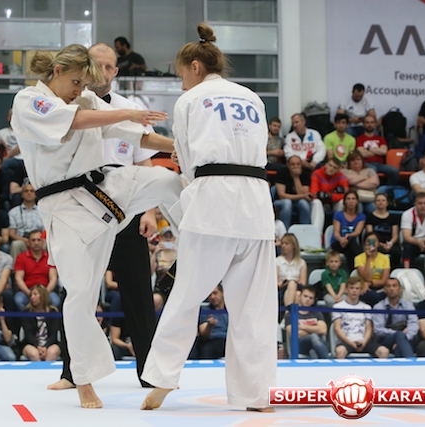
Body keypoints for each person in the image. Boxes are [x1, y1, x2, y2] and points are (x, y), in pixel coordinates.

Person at [11, 43, 183, 409]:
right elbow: (74, 121)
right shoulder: (29, 101)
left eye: (83, 84)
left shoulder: (87, 100)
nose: (80, 90)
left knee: (169, 181)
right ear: (57, 71)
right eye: (76, 82)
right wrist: (127, 112)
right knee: (80, 294)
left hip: (103, 188)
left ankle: (195, 245)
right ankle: (84, 380)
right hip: (64, 208)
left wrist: (180, 147)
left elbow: (136, 135)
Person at [141, 24, 277, 412]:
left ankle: (163, 379)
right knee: (254, 308)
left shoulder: (190, 100)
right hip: (255, 203)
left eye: (181, 73)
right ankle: (256, 394)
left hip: (212, 202)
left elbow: (185, 160)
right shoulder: (252, 97)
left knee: (186, 295)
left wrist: (188, 175)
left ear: (195, 66)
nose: (182, 82)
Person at [332, 277, 390, 359]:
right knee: (339, 351)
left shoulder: (367, 307)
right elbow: (337, 329)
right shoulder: (337, 307)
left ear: (361, 290)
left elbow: (369, 328)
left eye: (357, 288)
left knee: (384, 351)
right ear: (346, 289)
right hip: (346, 341)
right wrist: (351, 343)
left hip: (364, 341)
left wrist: (364, 342)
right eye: (351, 288)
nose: (354, 291)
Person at [14, 230, 60, 311]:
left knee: (55, 301)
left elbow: (53, 278)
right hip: (27, 290)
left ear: (43, 242)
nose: (36, 243)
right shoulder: (21, 257)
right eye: (33, 240)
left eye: (39, 240)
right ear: (29, 242)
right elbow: (18, 278)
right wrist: (30, 294)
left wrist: (44, 294)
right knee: (19, 300)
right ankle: (29, 319)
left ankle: (47, 319)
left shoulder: (50, 257)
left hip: (45, 289)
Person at [371, 278, 418, 358]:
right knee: (399, 336)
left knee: (398, 348)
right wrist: (399, 335)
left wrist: (403, 338)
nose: (391, 288)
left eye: (394, 286)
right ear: (385, 290)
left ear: (400, 289)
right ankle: (412, 363)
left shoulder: (408, 305)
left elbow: (414, 324)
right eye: (388, 286)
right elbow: (378, 330)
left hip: (406, 338)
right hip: (386, 340)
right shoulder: (379, 307)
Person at [284, 286, 329, 358]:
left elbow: (323, 330)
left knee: (314, 340)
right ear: (300, 297)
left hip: (317, 344)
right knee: (314, 336)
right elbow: (295, 334)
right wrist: (315, 329)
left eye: (311, 298)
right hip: (300, 346)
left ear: (313, 301)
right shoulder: (291, 314)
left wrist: (301, 327)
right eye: (305, 296)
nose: (308, 299)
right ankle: (327, 362)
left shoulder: (317, 313)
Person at [21, 284, 62, 361]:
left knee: (52, 352)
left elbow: (53, 334)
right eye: (31, 295)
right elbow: (28, 334)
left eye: (35, 294)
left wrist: (46, 347)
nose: (32, 297)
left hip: (50, 343)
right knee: (34, 354)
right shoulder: (26, 312)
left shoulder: (53, 312)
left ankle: (48, 369)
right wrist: (38, 346)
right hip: (31, 344)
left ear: (43, 296)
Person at [355, 114, 399, 186]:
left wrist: (368, 149)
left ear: (375, 124)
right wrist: (377, 151)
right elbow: (361, 153)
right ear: (363, 124)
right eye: (367, 122)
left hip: (380, 164)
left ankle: (388, 189)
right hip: (366, 163)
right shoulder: (359, 139)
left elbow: (384, 151)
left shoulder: (380, 139)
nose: (369, 125)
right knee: (373, 169)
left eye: (372, 122)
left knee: (395, 171)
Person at [310, 157, 349, 232]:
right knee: (316, 202)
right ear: (326, 165)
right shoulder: (316, 173)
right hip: (320, 202)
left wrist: (330, 196)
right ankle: (317, 233)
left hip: (333, 202)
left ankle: (339, 231)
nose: (331, 169)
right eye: (330, 165)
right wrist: (330, 195)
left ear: (338, 170)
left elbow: (346, 194)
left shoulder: (340, 176)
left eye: (335, 168)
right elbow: (314, 194)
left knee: (342, 202)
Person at [273, 155, 312, 230]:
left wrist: (296, 177)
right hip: (280, 202)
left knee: (304, 203)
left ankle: (305, 230)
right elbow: (282, 196)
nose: (295, 167)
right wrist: (302, 196)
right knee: (287, 203)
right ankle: (285, 231)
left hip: (297, 202)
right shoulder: (282, 172)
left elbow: (304, 194)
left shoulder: (305, 174)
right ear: (288, 165)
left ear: (301, 165)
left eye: (298, 164)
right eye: (293, 164)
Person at [330, 190, 365, 273]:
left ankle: (352, 273)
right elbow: (336, 233)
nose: (351, 201)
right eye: (348, 199)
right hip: (338, 243)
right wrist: (341, 239)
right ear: (344, 201)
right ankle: (360, 271)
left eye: (353, 199)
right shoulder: (338, 215)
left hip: (350, 243)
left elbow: (357, 232)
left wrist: (348, 236)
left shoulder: (361, 216)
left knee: (349, 250)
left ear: (357, 201)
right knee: (352, 247)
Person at [8, 181, 44, 259]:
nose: (29, 193)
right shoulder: (13, 212)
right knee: (16, 244)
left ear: (35, 194)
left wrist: (37, 240)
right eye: (26, 191)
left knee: (47, 244)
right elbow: (11, 233)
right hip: (22, 240)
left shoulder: (42, 211)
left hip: (38, 240)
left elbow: (46, 231)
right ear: (22, 194)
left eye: (32, 191)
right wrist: (24, 240)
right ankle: (15, 267)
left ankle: (49, 266)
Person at [192, 284, 228, 359]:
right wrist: (209, 325)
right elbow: (204, 335)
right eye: (210, 294)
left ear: (222, 292)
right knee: (206, 350)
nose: (212, 297)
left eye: (215, 293)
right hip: (213, 341)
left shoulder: (232, 309)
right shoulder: (205, 310)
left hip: (230, 341)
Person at [365, 193, 400, 268]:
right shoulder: (370, 217)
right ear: (375, 203)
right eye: (378, 200)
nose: (381, 202)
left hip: (390, 243)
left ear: (387, 203)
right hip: (375, 243)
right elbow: (369, 234)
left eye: (383, 200)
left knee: (396, 251)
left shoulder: (393, 217)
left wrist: (389, 244)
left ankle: (394, 271)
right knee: (373, 249)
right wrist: (380, 244)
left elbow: (395, 235)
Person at [354, 232, 390, 306]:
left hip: (379, 287)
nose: (371, 243)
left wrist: (369, 283)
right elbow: (366, 278)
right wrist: (368, 258)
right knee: (374, 297)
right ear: (364, 244)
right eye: (369, 241)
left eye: (374, 241)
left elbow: (384, 281)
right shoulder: (358, 258)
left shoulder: (385, 258)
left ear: (379, 244)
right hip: (364, 288)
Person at [276, 233, 307, 307]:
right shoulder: (277, 261)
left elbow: (303, 283)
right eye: (282, 243)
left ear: (293, 245)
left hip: (297, 287)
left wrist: (294, 282)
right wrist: (284, 283)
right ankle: (290, 312)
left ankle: (287, 312)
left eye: (286, 244)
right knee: (296, 292)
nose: (283, 246)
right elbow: (275, 282)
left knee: (296, 291)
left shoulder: (302, 262)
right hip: (282, 288)